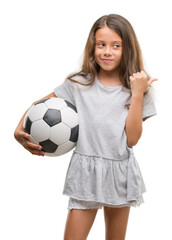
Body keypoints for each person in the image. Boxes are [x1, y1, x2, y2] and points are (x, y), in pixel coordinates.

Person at [14, 14, 157, 240]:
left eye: (116, 45)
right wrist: (18, 131)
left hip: (119, 173)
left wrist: (137, 93)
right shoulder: (78, 84)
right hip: (85, 173)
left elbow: (131, 139)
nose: (107, 51)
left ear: (127, 48)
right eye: (101, 44)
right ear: (93, 47)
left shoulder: (137, 89)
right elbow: (39, 105)